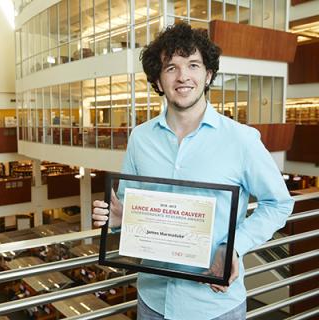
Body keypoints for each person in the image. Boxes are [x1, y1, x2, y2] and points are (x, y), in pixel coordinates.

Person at [92, 23, 294, 320]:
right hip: (152, 301)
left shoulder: (241, 139)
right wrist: (120, 219)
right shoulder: (140, 138)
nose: (183, 76)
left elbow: (279, 203)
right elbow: (129, 209)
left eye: (193, 65)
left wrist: (234, 247)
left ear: (208, 75)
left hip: (215, 308)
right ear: (158, 81)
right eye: (171, 67)